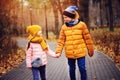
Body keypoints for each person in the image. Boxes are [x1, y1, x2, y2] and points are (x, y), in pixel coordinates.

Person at [55, 6, 94, 80]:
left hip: (80, 51)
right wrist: (58, 51)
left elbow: (88, 38)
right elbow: (61, 41)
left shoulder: (82, 25)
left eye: (66, 17)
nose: (64, 19)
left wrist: (90, 50)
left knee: (82, 68)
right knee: (71, 69)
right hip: (70, 52)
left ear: (72, 17)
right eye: (64, 17)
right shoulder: (64, 27)